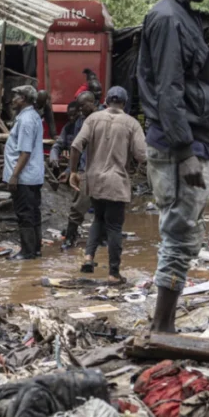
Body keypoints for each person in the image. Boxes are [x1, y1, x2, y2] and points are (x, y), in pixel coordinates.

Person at [137, 0, 209, 333]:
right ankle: (163, 328)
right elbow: (168, 91)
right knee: (178, 238)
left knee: (184, 236)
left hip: (189, 142)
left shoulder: (187, 17)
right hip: (180, 145)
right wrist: (186, 153)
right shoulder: (167, 19)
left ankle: (166, 323)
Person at [70, 87, 147, 282]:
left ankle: (88, 257)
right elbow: (142, 156)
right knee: (114, 227)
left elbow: (76, 145)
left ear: (105, 101)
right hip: (116, 181)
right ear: (125, 103)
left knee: (98, 219)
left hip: (94, 180)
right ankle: (113, 273)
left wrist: (72, 172)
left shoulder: (93, 119)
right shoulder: (131, 123)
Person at [3, 85, 45, 260]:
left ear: (24, 99)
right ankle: (34, 249)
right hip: (32, 175)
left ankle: (27, 252)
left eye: (16, 96)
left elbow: (25, 152)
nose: (13, 100)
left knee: (25, 214)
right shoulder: (31, 116)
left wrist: (14, 175)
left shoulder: (26, 120)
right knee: (33, 212)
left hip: (24, 177)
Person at [54, 93, 97, 249]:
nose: (80, 110)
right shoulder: (81, 122)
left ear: (93, 103)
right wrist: (70, 170)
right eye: (78, 107)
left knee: (103, 208)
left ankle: (102, 239)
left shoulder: (102, 119)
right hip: (84, 170)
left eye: (83, 106)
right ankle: (70, 237)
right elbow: (77, 148)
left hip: (101, 169)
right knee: (78, 206)